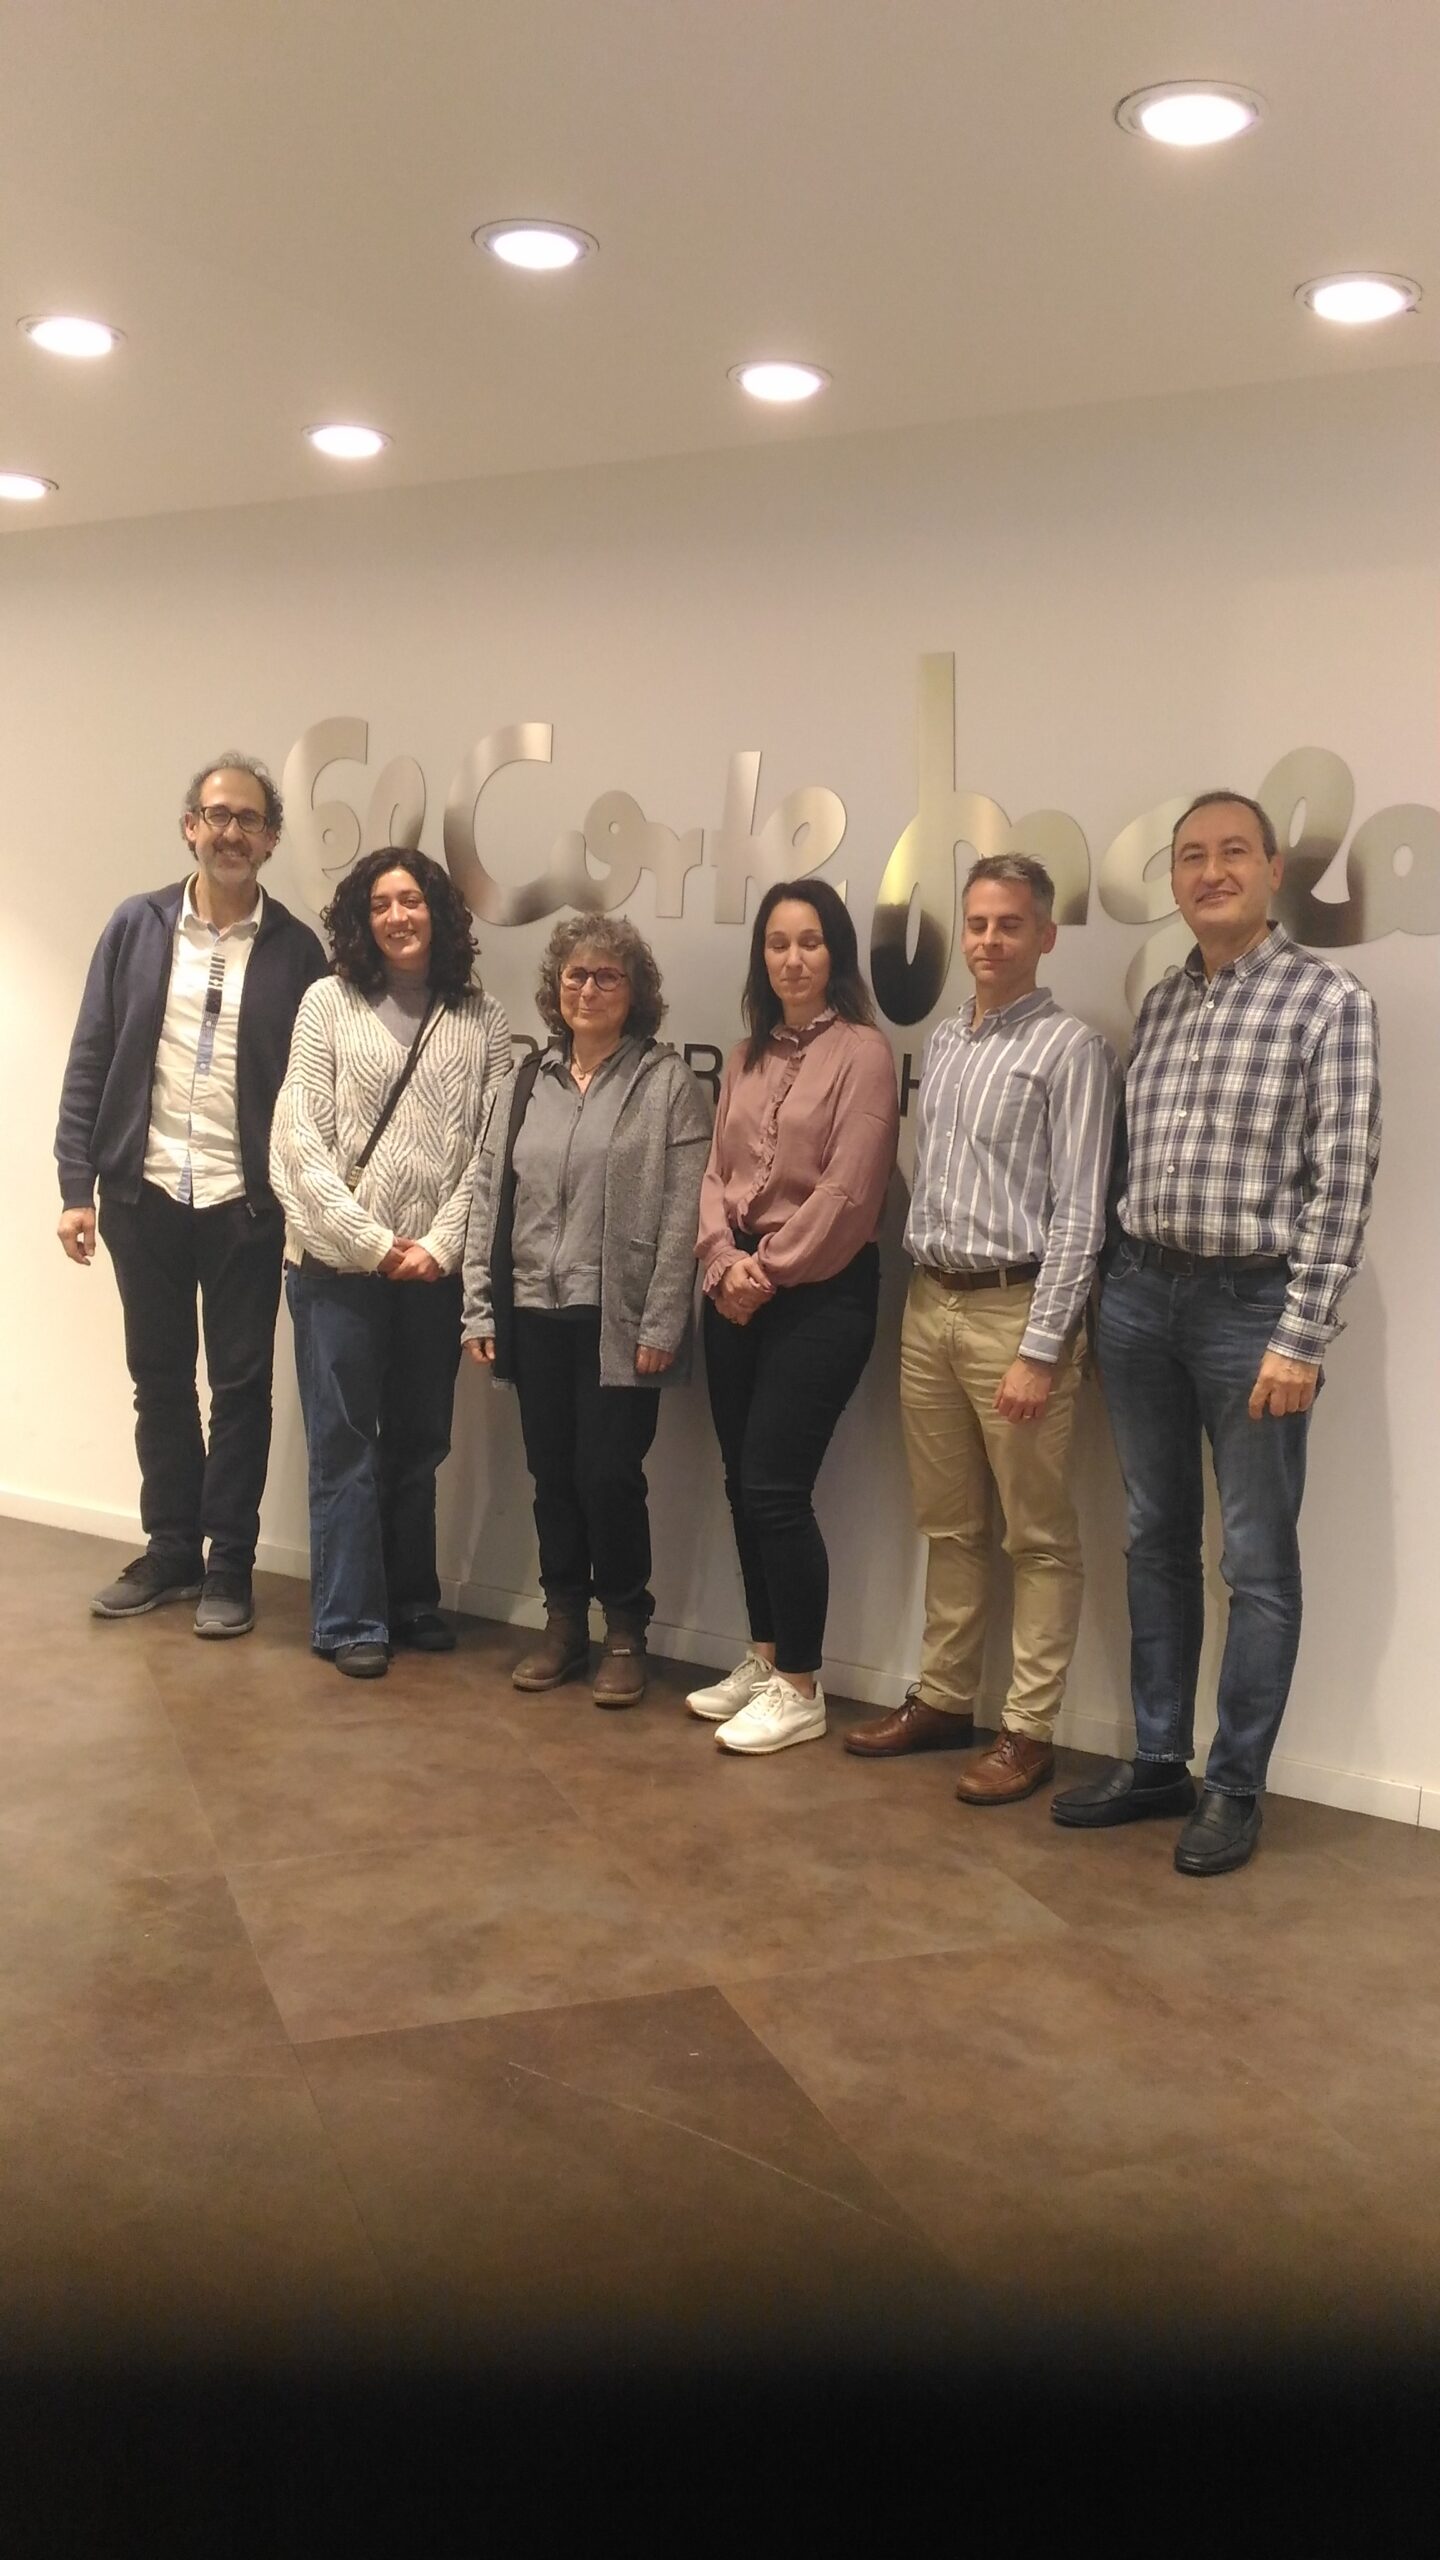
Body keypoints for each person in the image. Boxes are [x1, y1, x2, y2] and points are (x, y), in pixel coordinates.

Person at [1052, 790, 1381, 1874]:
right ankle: (1160, 1760)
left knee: (1256, 1561)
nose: (1211, 871)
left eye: (1233, 851)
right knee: (1154, 1536)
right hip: (1142, 1296)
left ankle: (1235, 1786)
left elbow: (1341, 1185)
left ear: (1273, 869)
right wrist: (1110, 1296)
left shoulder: (1329, 1003)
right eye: (1191, 856)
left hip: (1253, 1312)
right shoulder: (1162, 1003)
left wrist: (1302, 1335)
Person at [845, 855, 1120, 1802]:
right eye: (977, 923)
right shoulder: (948, 1042)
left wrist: (1043, 1349)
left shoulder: (1071, 1051)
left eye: (1010, 924)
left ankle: (1028, 1730)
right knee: (950, 1524)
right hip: (931, 1303)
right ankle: (943, 1698)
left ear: (1045, 935)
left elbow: (1081, 1216)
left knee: (1036, 1536)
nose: (990, 940)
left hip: (1017, 1310)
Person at [54, 754, 326, 1637]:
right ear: (190, 827)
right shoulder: (135, 927)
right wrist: (76, 1185)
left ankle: (230, 1565)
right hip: (144, 1196)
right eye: (217, 815)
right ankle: (172, 1550)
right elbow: (91, 1055)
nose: (230, 832)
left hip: (246, 1204)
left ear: (271, 839)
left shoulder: (297, 951)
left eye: (248, 819)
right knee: (160, 1382)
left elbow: (311, 1090)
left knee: (242, 1388)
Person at [270, 848, 510, 1678]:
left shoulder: (482, 1018)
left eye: (411, 900)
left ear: (438, 912)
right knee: (346, 1449)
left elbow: (489, 1153)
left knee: (418, 1445)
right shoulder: (326, 1004)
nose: (397, 917)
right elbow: (297, 1143)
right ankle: (350, 1618)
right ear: (361, 920)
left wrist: (438, 1247)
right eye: (380, 905)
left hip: (431, 1279)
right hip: (336, 1272)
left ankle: (409, 1599)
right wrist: (372, 1245)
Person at [462, 914, 710, 1707]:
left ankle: (626, 1629)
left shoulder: (667, 1085)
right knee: (552, 1477)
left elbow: (683, 1215)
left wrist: (663, 1322)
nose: (589, 989)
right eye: (576, 975)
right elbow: (488, 1197)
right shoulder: (524, 1082)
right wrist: (480, 1309)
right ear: (555, 988)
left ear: (635, 993)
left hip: (618, 1319)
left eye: (608, 976)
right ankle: (564, 1621)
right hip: (534, 1311)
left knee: (609, 1478)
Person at [688, 878, 899, 1754]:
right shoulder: (745, 1055)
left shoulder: (866, 1053)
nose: (793, 959)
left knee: (777, 1488)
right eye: (777, 943)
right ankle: (767, 1655)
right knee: (742, 1483)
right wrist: (720, 1260)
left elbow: (850, 1192)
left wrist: (765, 1271)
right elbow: (713, 1174)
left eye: (810, 941)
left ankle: (803, 1686)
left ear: (835, 952)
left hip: (819, 1293)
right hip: (732, 1286)